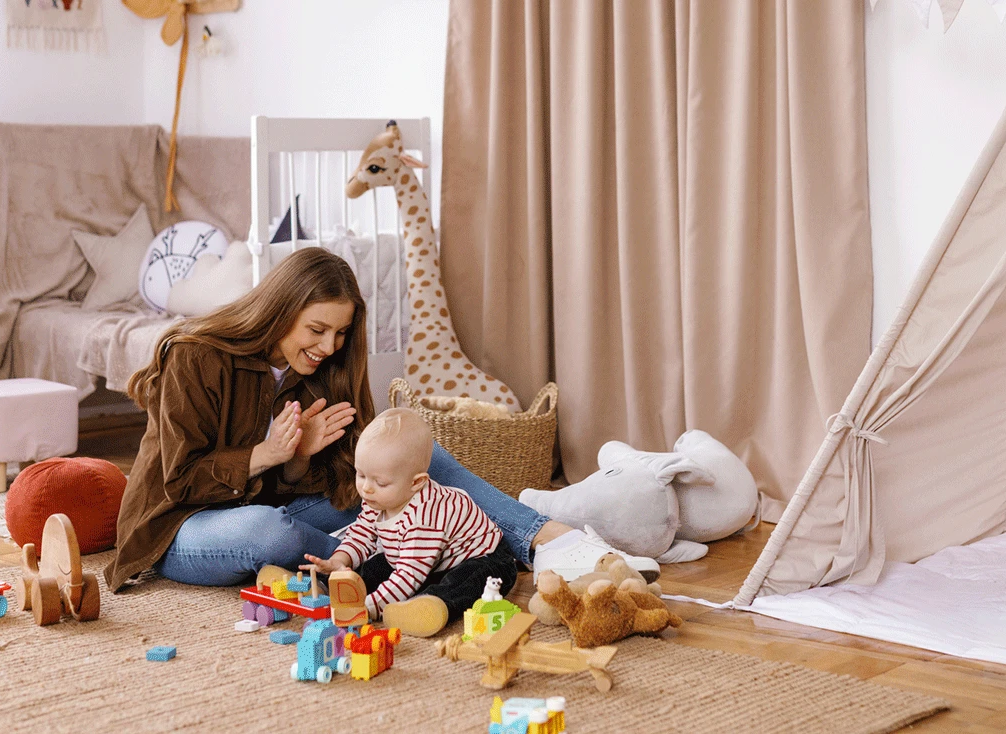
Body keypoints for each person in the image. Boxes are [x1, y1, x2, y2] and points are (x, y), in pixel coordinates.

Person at [104, 247, 658, 595]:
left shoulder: (325, 366)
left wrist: (296, 462)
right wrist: (267, 453)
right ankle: (416, 556)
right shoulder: (195, 355)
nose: (329, 346)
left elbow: (352, 479)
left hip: (272, 502)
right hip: (180, 528)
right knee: (266, 533)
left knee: (419, 460)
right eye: (316, 329)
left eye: (340, 334)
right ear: (279, 309)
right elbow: (179, 480)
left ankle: (554, 542)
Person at [300, 407, 518, 637]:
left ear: (416, 483)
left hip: (485, 559)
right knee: (376, 566)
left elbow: (409, 575)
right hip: (426, 560)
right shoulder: (376, 498)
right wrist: (338, 561)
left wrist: (370, 607)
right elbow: (361, 535)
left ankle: (430, 607)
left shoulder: (423, 516)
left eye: (380, 482)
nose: (366, 487)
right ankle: (327, 586)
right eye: (361, 474)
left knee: (461, 583)